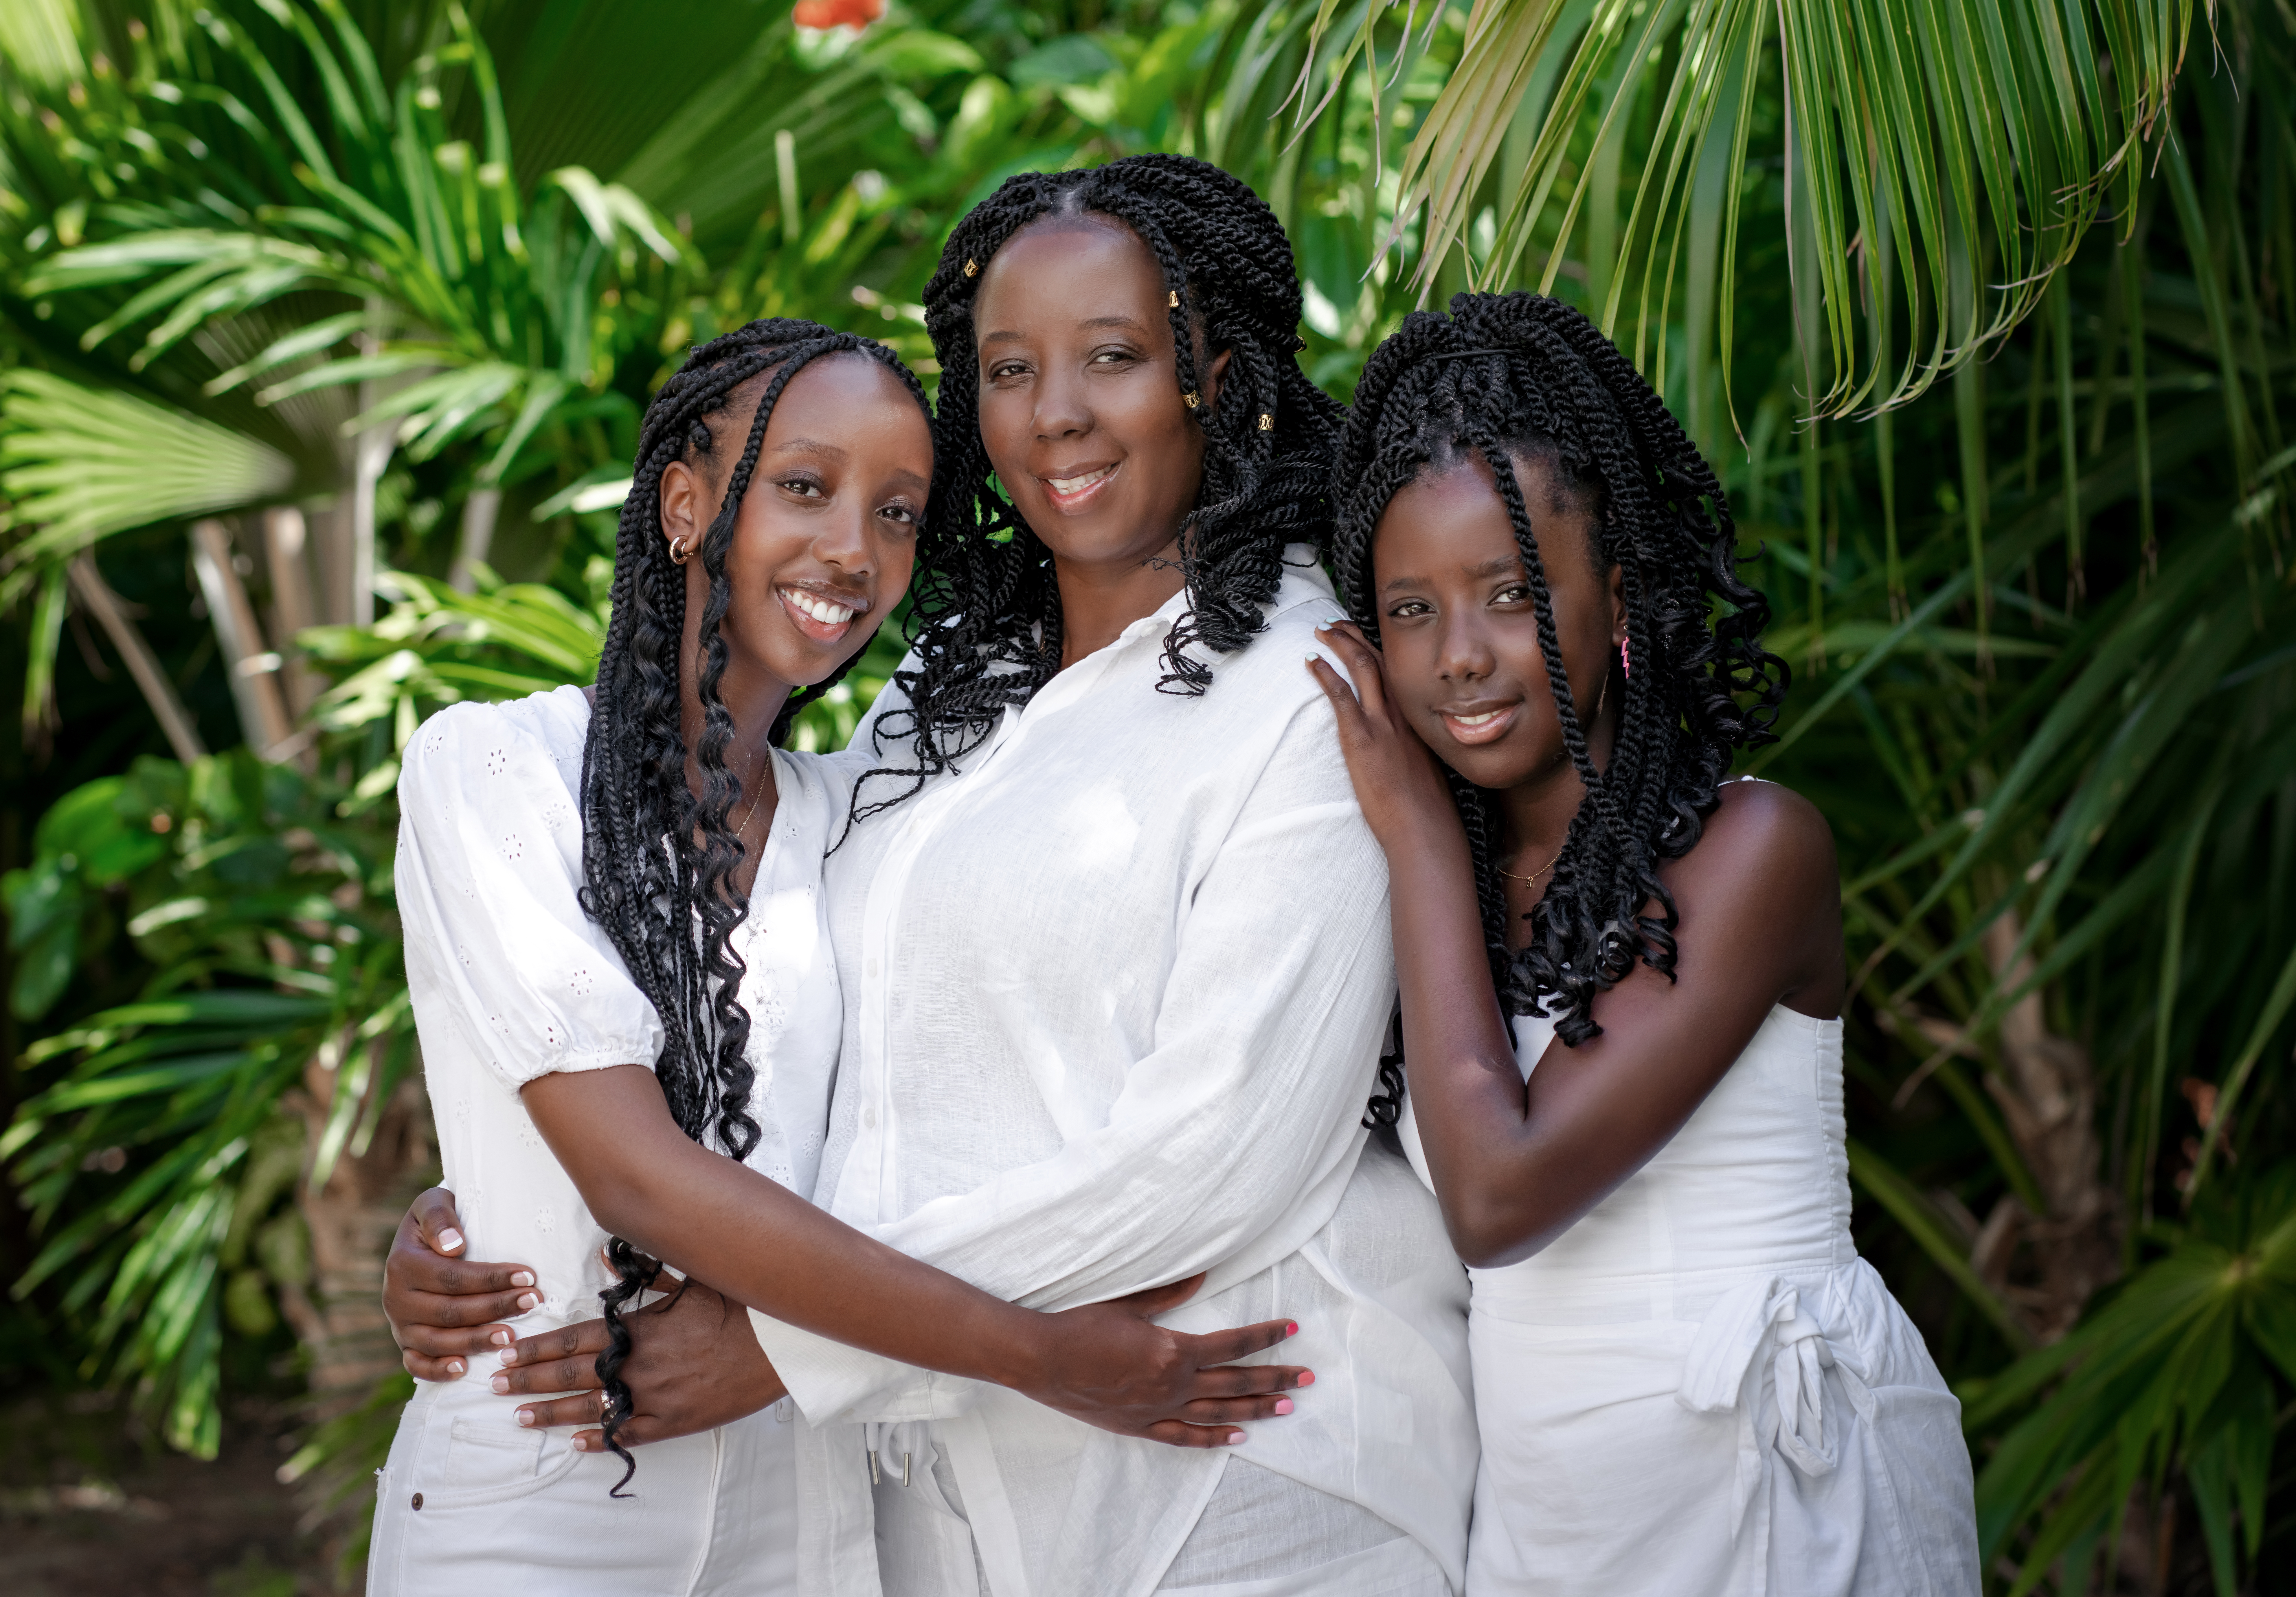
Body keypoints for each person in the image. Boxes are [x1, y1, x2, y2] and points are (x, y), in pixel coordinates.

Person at [398, 157, 1476, 1597]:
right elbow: (779, 1026)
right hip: (946, 1492)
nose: (1059, 414)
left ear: (1216, 373)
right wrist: (498, 1192)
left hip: (1244, 1446)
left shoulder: (1304, 686)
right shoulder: (942, 707)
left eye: (1114, 357)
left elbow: (1217, 1150)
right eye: (1011, 368)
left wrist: (787, 1347)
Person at [1307, 290, 1980, 1596]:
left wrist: (1419, 843)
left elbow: (1502, 1194)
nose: (1459, 658)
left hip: (1776, 1499)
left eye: (1510, 592)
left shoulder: (1751, 853)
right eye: (1411, 611)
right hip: (1545, 1528)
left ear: (1615, 592)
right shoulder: (1433, 888)